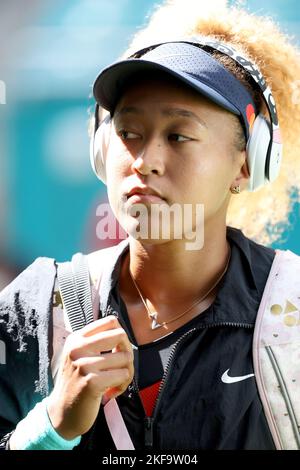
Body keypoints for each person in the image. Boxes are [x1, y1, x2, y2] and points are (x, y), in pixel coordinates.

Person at [0, 0, 300, 451]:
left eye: (179, 135)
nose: (145, 161)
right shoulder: (39, 306)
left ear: (247, 163)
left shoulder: (291, 309)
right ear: (101, 150)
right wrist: (51, 428)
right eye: (129, 132)